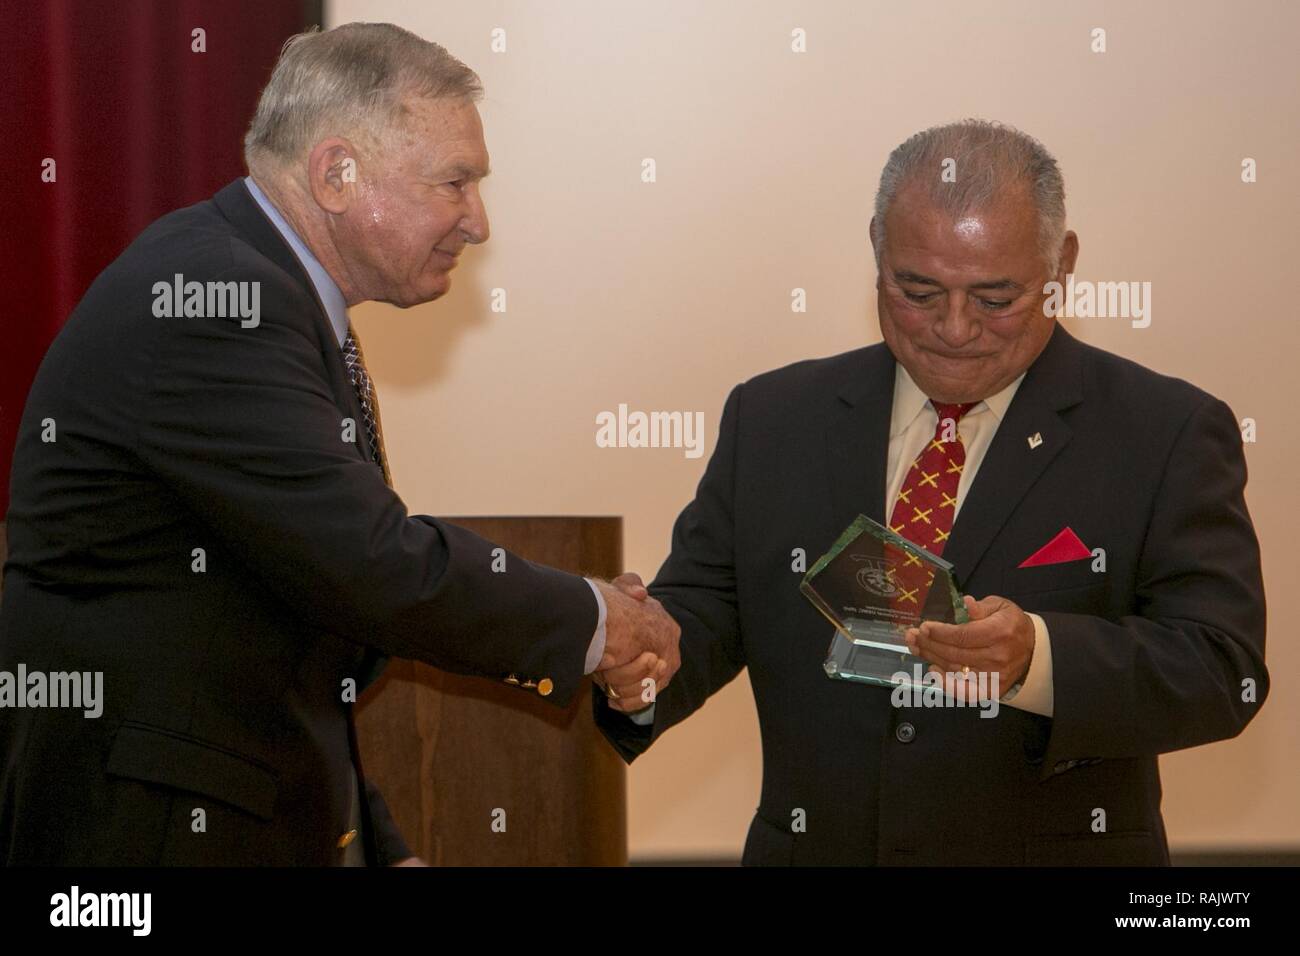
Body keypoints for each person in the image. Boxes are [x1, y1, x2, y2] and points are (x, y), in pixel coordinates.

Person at [0, 22, 679, 866]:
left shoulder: (269, 292)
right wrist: (596, 620)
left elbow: (306, 612)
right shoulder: (219, 298)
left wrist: (377, 843)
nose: (479, 223)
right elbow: (370, 564)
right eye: (455, 182)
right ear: (335, 174)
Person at [593, 120, 1268, 865]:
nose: (954, 328)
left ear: (1062, 265)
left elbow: (1220, 669)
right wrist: (634, 657)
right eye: (918, 292)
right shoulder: (774, 418)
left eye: (994, 298)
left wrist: (1035, 659)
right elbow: (701, 620)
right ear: (877, 249)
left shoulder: (1163, 431)